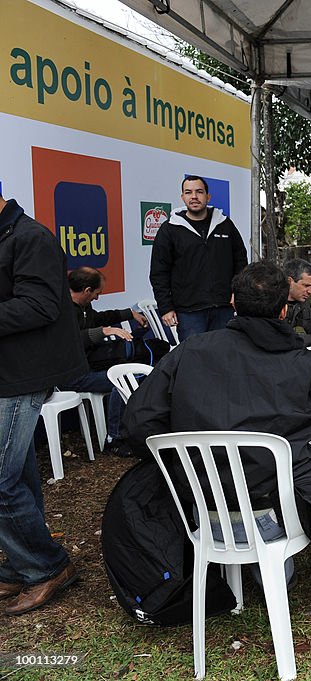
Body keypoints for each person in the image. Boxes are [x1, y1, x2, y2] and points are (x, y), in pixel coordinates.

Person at [122, 262, 311, 621]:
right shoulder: (304, 362)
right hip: (278, 508)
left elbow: (135, 424)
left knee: (275, 494)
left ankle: (270, 567)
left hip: (201, 505)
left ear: (233, 302)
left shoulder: (189, 352)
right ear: (284, 309)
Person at [0, 191, 88, 616]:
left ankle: (46, 566)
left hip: (22, 376)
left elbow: (38, 306)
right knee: (17, 474)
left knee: (1, 480)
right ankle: (21, 564)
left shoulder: (32, 237)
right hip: (8, 373)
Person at [63, 267, 150, 456]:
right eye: (96, 293)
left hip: (89, 365)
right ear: (86, 290)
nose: (97, 298)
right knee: (124, 381)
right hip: (71, 375)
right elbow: (66, 341)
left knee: (131, 374)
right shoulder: (61, 309)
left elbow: (98, 318)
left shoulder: (84, 307)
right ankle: (114, 439)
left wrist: (129, 313)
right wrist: (103, 331)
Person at [150, 175, 248, 341]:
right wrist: (166, 307)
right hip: (189, 313)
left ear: (208, 196)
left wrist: (237, 293)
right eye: (188, 192)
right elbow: (159, 272)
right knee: (194, 361)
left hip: (223, 308)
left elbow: (241, 262)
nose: (194, 196)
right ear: (183, 197)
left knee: (222, 358)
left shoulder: (225, 224)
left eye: (199, 192)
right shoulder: (170, 229)